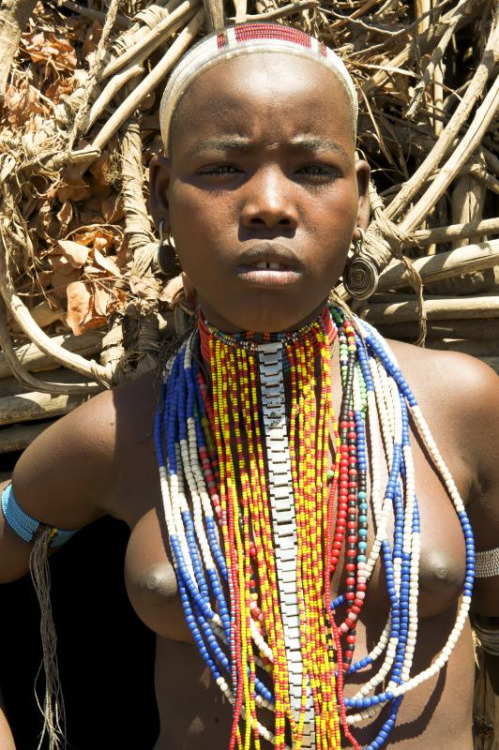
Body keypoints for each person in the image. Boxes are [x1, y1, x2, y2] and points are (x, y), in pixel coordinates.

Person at [1, 21, 499, 750]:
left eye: (312, 168)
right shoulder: (118, 437)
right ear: (164, 197)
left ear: (359, 196)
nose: (269, 202)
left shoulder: (456, 406)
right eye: (223, 169)